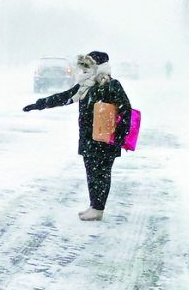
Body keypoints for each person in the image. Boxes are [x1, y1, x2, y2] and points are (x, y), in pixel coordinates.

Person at [23, 51, 131, 221]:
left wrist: (119, 136)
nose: (85, 70)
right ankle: (94, 206)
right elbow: (64, 98)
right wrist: (39, 104)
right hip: (89, 139)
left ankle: (98, 208)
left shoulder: (111, 85)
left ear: (97, 67)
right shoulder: (84, 86)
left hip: (106, 140)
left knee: (102, 174)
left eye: (88, 66)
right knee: (92, 173)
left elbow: (126, 110)